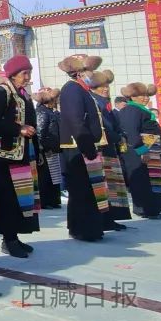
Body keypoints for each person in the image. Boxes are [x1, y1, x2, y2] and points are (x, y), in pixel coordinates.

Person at [0, 56, 41, 258]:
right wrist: (18, 129)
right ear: (13, 74)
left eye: (29, 73)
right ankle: (8, 239)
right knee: (8, 198)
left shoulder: (22, 93)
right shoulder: (2, 91)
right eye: (24, 73)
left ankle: (14, 236)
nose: (28, 77)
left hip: (23, 152)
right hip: (6, 155)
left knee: (21, 198)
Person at [57, 54, 109, 242]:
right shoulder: (71, 89)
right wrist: (87, 147)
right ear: (79, 73)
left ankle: (91, 228)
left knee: (89, 190)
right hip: (78, 146)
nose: (92, 74)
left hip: (85, 145)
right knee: (81, 190)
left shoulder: (82, 89)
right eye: (89, 71)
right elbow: (75, 121)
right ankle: (81, 229)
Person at [118, 82, 161, 219]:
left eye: (146, 95)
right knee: (142, 181)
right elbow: (131, 132)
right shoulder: (131, 110)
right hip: (139, 151)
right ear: (132, 97)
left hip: (150, 149)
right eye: (141, 95)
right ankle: (145, 209)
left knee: (151, 180)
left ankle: (153, 208)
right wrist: (142, 150)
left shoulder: (140, 109)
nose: (145, 98)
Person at [90, 70, 131, 228]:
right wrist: (115, 136)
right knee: (104, 186)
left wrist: (120, 135)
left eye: (107, 86)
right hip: (102, 147)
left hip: (110, 146)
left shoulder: (105, 102)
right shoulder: (94, 101)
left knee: (113, 186)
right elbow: (102, 126)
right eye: (102, 86)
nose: (106, 89)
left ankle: (111, 218)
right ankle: (105, 219)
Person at [34, 88, 63, 208]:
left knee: (54, 176)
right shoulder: (42, 112)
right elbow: (40, 132)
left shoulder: (50, 111)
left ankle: (54, 200)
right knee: (46, 176)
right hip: (46, 149)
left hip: (53, 148)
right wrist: (41, 149)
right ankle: (46, 201)